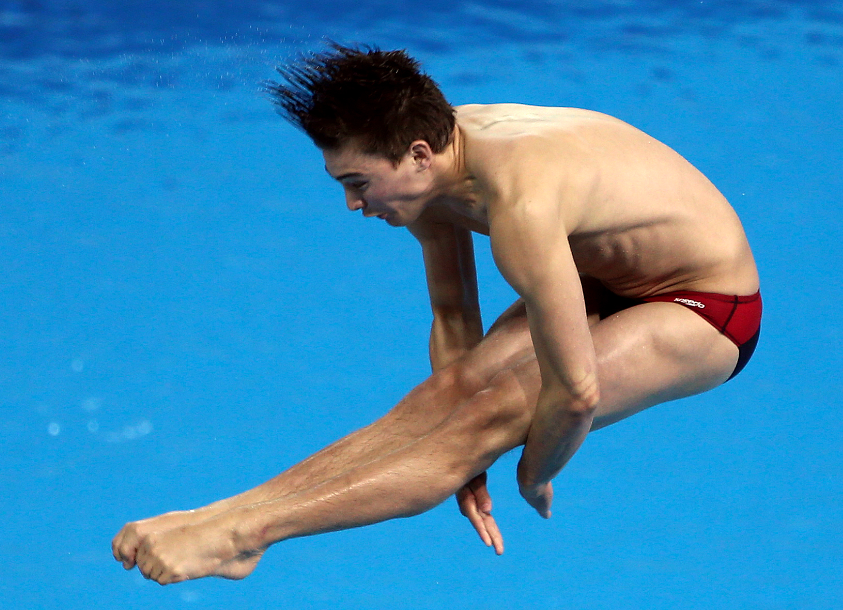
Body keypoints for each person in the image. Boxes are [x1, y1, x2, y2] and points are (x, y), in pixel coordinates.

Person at [112, 44, 761, 585]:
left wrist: (530, 472)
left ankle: (245, 534)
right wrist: (464, 459)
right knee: (443, 397)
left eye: (358, 183)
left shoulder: (520, 203)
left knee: (481, 418)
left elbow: (578, 392)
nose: (351, 204)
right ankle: (221, 515)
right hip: (602, 274)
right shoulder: (434, 172)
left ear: (418, 154)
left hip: (704, 304)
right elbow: (454, 314)